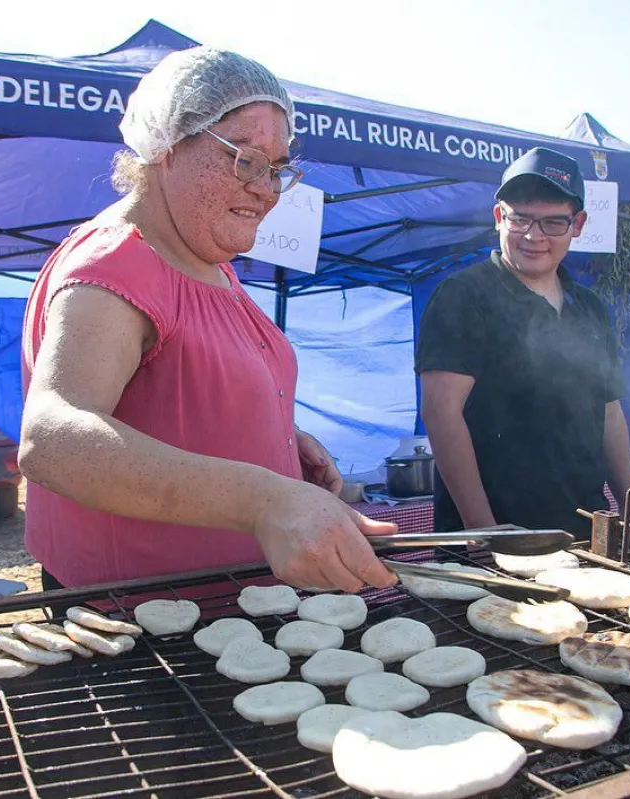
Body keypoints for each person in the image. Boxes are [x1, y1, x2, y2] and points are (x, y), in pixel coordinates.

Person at [20, 47, 397, 593]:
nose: (266, 189)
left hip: (228, 607)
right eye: (244, 158)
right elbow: (54, 440)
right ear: (169, 144)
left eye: (277, 168)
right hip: (145, 628)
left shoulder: (205, 257)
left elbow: (175, 393)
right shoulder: (115, 262)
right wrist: (266, 497)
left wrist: (274, 435)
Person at [415, 147, 630, 545]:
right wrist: (484, 533)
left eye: (553, 222)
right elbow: (441, 413)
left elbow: (610, 414)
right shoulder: (465, 296)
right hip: (495, 535)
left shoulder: (589, 309)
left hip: (583, 533)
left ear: (578, 224)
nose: (533, 236)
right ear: (498, 218)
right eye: (519, 218)